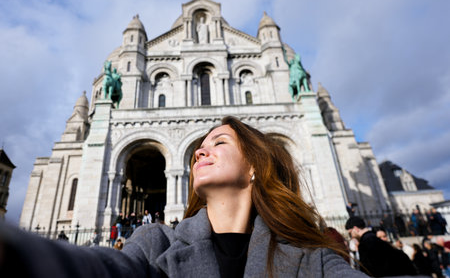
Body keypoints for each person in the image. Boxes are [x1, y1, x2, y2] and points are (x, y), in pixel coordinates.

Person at [0, 116, 367, 277]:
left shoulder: (311, 258)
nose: (199, 152)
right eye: (199, 147)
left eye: (219, 142)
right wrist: (18, 254)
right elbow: (104, 270)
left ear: (255, 167)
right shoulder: (155, 243)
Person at [345, 216, 417, 277]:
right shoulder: (375, 239)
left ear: (356, 228)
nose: (351, 236)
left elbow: (370, 271)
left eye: (350, 233)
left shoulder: (365, 244)